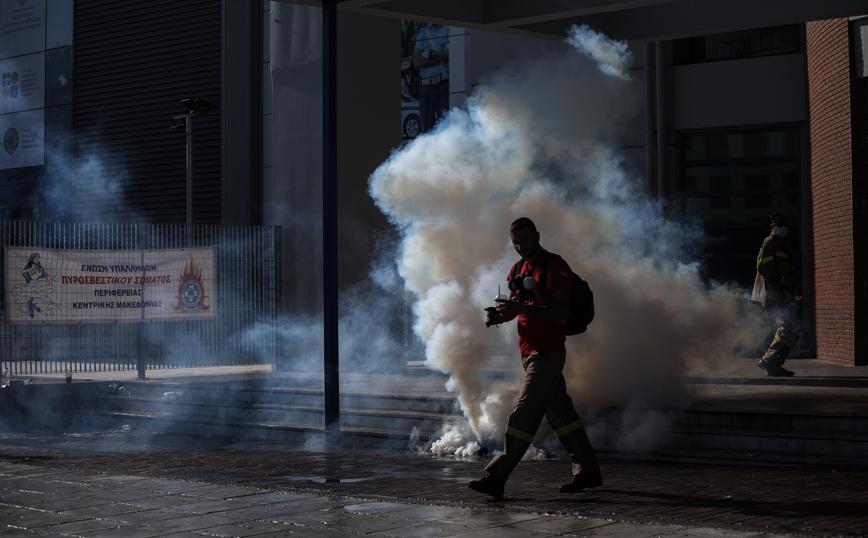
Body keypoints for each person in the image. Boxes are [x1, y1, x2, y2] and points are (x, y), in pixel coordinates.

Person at [470, 217, 602, 500]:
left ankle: (496, 475)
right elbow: (518, 308)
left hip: (547, 353)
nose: (520, 246)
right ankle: (587, 469)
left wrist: (519, 307)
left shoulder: (555, 266)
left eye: (525, 240)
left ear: (537, 236)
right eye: (516, 242)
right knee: (560, 415)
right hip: (529, 353)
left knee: (524, 413)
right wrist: (499, 316)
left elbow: (561, 312)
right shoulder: (517, 269)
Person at [752, 212, 801, 377]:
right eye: (780, 225)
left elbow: (789, 270)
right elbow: (762, 268)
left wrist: (793, 287)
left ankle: (774, 365)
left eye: (786, 225)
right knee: (787, 328)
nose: (784, 228)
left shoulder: (781, 244)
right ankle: (768, 361)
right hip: (773, 294)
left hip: (782, 294)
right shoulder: (770, 243)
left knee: (791, 329)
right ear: (772, 227)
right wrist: (782, 280)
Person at [412, 23, 449, 134]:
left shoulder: (448, 29)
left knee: (445, 125)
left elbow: (448, 55)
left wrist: (427, 54)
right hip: (425, 85)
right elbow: (417, 62)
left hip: (443, 82)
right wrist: (438, 58)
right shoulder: (423, 32)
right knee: (425, 128)